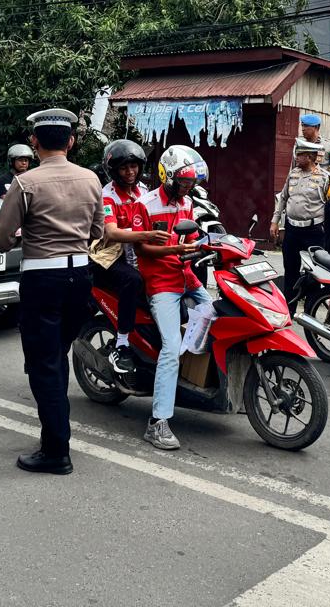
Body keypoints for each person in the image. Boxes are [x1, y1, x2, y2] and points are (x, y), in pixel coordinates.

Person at [0, 109, 103, 475]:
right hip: (80, 277)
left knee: (44, 364)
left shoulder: (25, 183)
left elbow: (1, 238)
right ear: (70, 141)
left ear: (34, 142)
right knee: (55, 355)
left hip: (42, 279)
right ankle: (55, 435)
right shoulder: (90, 179)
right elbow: (97, 231)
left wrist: (21, 236)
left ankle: (56, 450)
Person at [135, 145, 210, 451]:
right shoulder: (146, 204)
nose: (188, 187)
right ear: (166, 176)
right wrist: (175, 250)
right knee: (170, 348)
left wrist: (209, 245)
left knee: (216, 314)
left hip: (186, 276)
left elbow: (191, 238)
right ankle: (158, 422)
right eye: (183, 181)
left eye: (191, 182)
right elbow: (142, 249)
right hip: (161, 283)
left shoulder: (188, 203)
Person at [91, 139, 169, 383]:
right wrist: (146, 235)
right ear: (113, 170)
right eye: (124, 167)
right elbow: (112, 232)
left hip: (138, 252)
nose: (130, 172)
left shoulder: (143, 192)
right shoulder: (107, 196)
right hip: (109, 256)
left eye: (134, 166)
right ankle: (122, 344)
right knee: (133, 280)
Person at [271, 138, 330, 308]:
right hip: (292, 230)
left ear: (310, 157)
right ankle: (289, 310)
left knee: (315, 272)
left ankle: (309, 309)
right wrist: (275, 221)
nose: (296, 158)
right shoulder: (293, 174)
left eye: (300, 155)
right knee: (290, 270)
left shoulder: (325, 177)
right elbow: (283, 198)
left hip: (314, 231)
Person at [300, 113, 330, 180]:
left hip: (321, 184)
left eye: (306, 126)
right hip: (302, 184)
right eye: (302, 125)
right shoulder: (299, 145)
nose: (303, 129)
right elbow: (293, 169)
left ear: (316, 127)